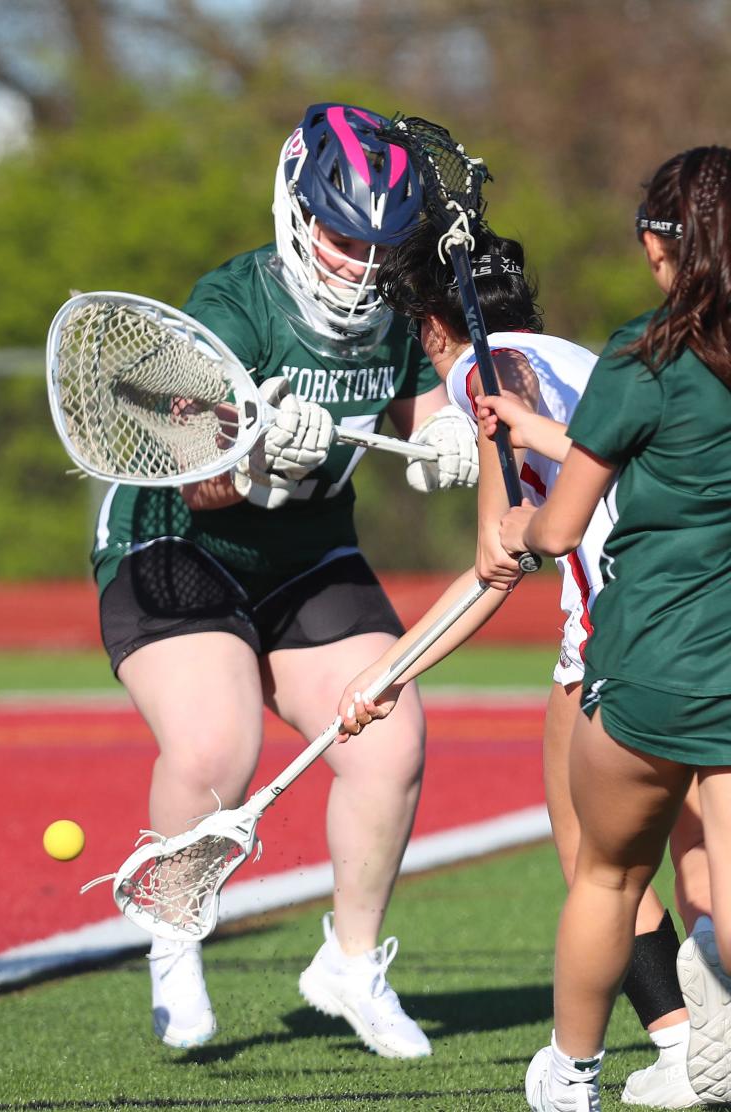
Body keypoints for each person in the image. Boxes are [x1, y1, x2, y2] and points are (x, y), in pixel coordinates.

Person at [92, 102, 478, 1055]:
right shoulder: (233, 305)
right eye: (343, 234)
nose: (358, 260)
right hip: (181, 544)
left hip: (305, 553)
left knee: (391, 741)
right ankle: (176, 936)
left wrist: (444, 431)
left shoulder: (396, 304)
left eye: (377, 243)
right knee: (216, 749)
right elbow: (205, 485)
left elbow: (422, 390)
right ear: (299, 212)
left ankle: (348, 966)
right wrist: (256, 450)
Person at [333, 220, 707, 1107]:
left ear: (433, 327)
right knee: (699, 844)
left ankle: (675, 1045)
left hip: (617, 625)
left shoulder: (483, 370)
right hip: (694, 610)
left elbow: (496, 568)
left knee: (596, 862)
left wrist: (387, 671)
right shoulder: (581, 350)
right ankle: (698, 1040)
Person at [491, 146, 731, 1111]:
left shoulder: (647, 354)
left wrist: (518, 524)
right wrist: (538, 426)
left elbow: (558, 528)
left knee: (606, 876)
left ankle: (571, 1074)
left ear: (657, 245)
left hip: (650, 672)